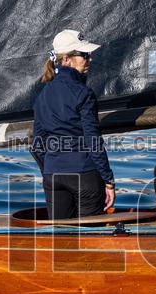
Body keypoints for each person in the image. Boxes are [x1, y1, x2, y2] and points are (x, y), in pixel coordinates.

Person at [31, 29, 115, 219]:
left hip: (52, 176)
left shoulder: (41, 96)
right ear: (66, 59)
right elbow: (93, 139)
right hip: (84, 174)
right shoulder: (83, 93)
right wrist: (108, 180)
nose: (89, 59)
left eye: (89, 55)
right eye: (84, 55)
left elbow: (38, 144)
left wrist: (52, 169)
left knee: (59, 240)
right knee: (90, 239)